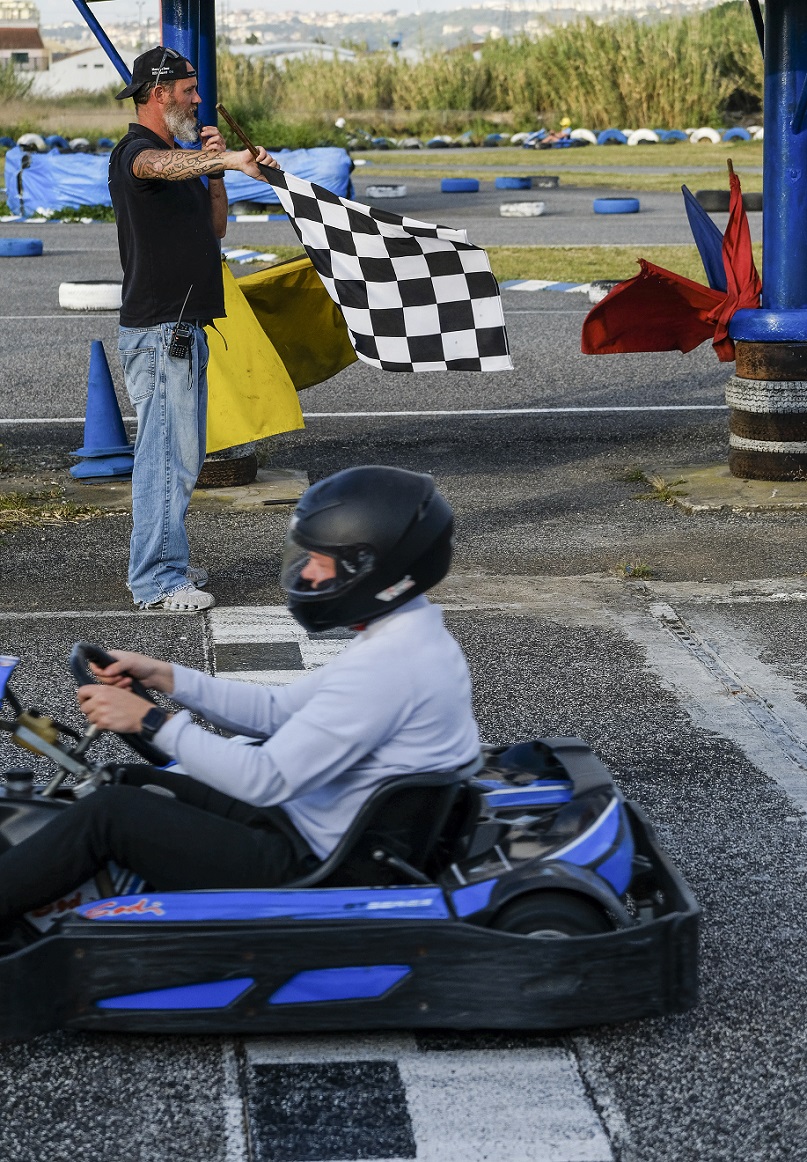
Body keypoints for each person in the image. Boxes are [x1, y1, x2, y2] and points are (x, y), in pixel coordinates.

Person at [0, 467, 481, 923]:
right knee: (122, 780)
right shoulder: (406, 636)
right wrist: (166, 676)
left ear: (378, 570)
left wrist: (150, 722)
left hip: (315, 863)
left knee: (107, 815)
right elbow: (277, 712)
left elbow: (265, 779)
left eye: (319, 563)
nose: (308, 576)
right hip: (316, 822)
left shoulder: (391, 667)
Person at [109, 45, 281, 613]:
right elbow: (153, 167)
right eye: (188, 90)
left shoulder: (182, 158)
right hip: (162, 332)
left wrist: (216, 172)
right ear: (159, 95)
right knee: (166, 458)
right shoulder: (138, 152)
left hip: (182, 330)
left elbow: (217, 229)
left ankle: (167, 558)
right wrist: (224, 161)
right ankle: (157, 579)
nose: (198, 98)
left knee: (180, 457)